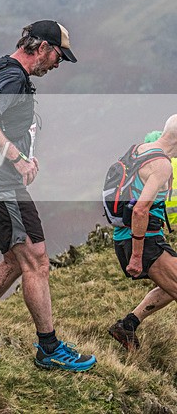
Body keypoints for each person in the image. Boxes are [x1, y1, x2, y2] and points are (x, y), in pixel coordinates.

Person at [0, 20, 96, 372]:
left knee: (19, 259)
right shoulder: (12, 76)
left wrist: (23, 154)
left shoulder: (8, 72)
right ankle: (48, 348)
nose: (58, 64)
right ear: (42, 47)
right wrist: (17, 160)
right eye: (58, 56)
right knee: (36, 262)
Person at [107, 120, 177, 351]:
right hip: (143, 240)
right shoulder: (161, 164)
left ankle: (128, 325)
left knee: (170, 285)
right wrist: (136, 256)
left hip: (126, 236)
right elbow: (139, 209)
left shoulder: (139, 150)